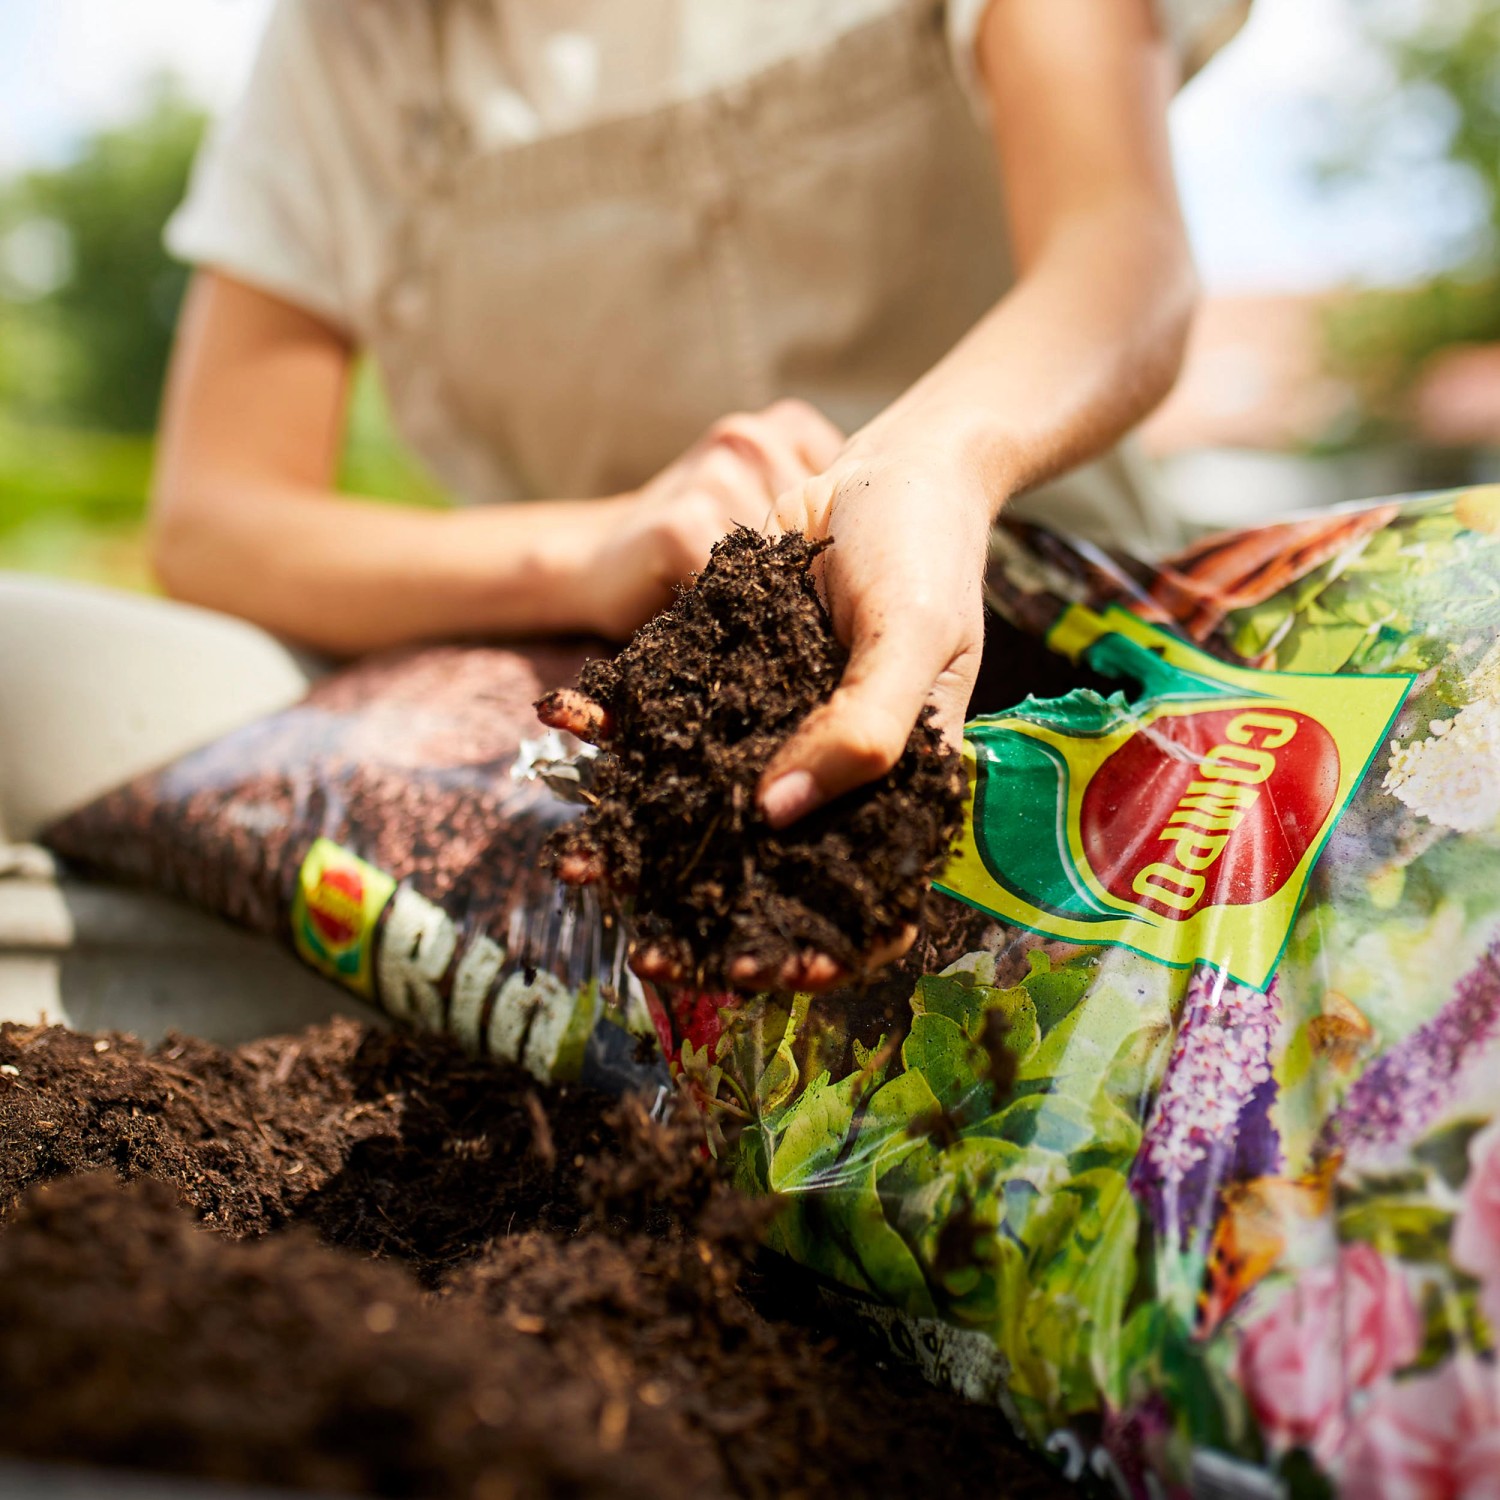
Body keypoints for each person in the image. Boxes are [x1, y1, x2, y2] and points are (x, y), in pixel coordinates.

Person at [0, 0, 1246, 1026]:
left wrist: (931, 461)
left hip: (1054, 639)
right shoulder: (351, 43)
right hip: (599, 713)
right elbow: (216, 517)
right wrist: (590, 549)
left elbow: (1120, 243)